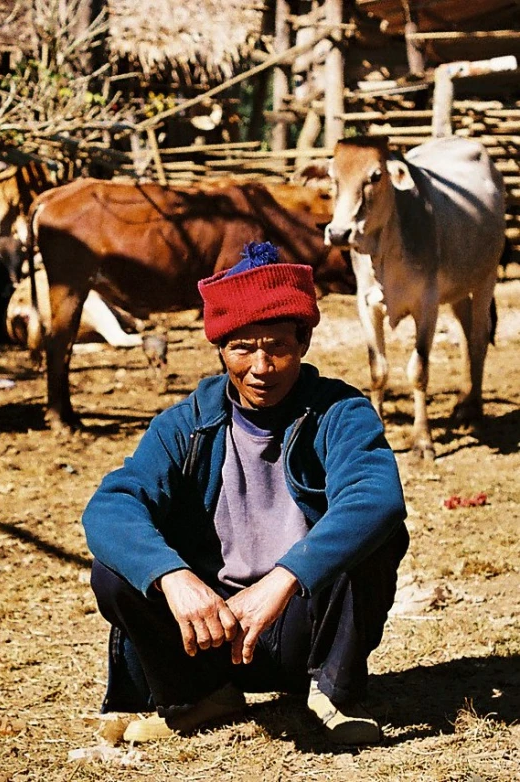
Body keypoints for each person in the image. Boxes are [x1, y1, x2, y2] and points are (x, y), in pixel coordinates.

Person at [82, 241, 408, 746]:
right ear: (220, 350)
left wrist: (284, 580)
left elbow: (376, 496)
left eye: (277, 345)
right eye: (243, 348)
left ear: (302, 342)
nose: (261, 366)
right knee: (115, 572)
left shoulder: (340, 412)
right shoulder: (188, 422)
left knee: (377, 536)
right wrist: (173, 578)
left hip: (303, 623)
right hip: (209, 630)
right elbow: (111, 506)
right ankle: (200, 695)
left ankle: (332, 692)